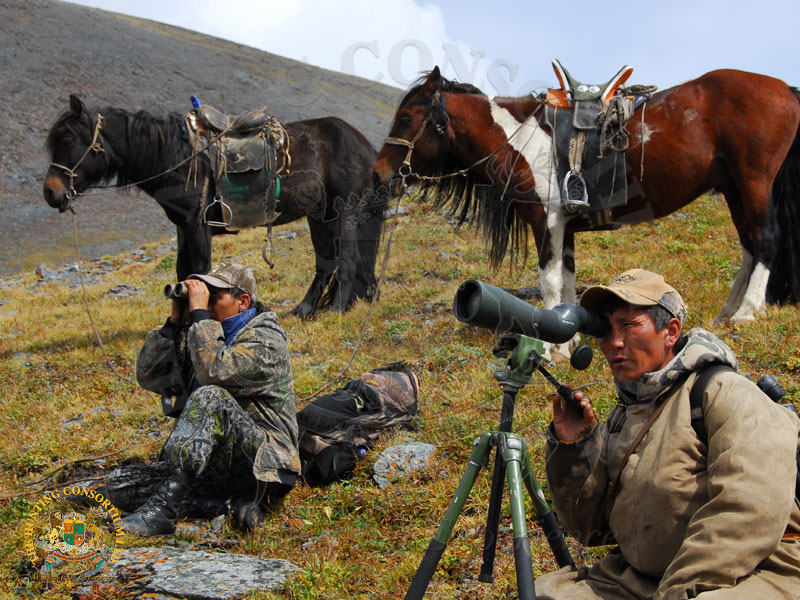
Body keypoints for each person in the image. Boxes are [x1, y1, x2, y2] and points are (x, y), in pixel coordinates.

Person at [536, 269, 800, 599]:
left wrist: (676, 591)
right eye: (606, 330)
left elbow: (750, 511)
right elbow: (589, 527)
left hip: (752, 573)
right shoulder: (627, 413)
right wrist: (574, 446)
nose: (614, 342)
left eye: (629, 326)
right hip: (643, 579)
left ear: (670, 331)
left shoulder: (722, 392)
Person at [115, 261, 300, 536]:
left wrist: (201, 316)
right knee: (119, 485)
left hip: (263, 463)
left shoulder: (266, 340)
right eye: (203, 296)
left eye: (215, 296)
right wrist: (174, 324)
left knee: (210, 395)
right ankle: (225, 505)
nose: (206, 303)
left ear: (243, 301)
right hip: (213, 466)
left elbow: (215, 372)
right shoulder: (206, 336)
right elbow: (150, 376)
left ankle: (162, 514)